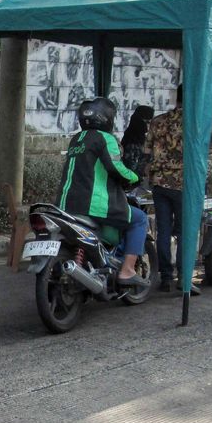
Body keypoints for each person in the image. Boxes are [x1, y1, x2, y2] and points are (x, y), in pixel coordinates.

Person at [57, 97, 149, 288]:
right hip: (96, 204)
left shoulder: (77, 138)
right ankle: (127, 270)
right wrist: (134, 177)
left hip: (66, 204)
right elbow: (115, 168)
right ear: (107, 118)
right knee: (139, 219)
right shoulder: (105, 138)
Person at [148, 84, 198, 293]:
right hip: (183, 184)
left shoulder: (157, 122)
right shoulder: (194, 122)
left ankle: (166, 277)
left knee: (163, 230)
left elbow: (147, 150)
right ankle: (184, 278)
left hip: (160, 182)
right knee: (187, 231)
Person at [121, 105, 155, 177]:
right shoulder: (132, 140)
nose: (149, 126)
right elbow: (132, 166)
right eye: (148, 122)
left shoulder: (139, 137)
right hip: (134, 180)